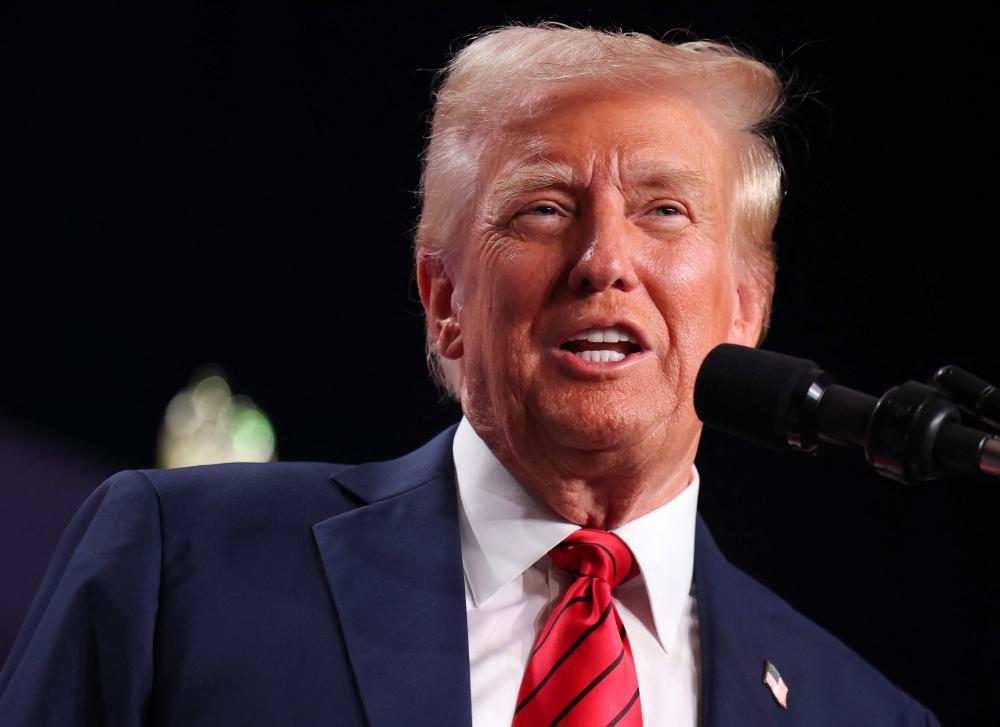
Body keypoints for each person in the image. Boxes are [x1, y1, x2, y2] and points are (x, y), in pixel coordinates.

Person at [0, 24, 940, 727]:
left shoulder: (859, 711)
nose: (604, 259)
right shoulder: (180, 569)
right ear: (443, 297)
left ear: (747, 305)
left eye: (663, 209)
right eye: (542, 207)